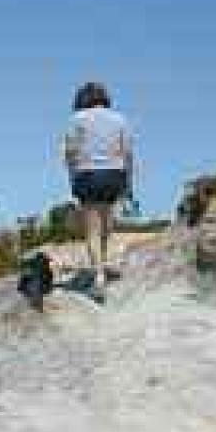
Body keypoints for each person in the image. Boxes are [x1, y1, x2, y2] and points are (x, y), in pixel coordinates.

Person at [62, 82, 132, 292]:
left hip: (88, 174)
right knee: (106, 225)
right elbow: (127, 152)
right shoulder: (120, 119)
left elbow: (70, 152)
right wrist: (128, 182)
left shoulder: (77, 119)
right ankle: (102, 263)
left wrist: (72, 178)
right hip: (114, 174)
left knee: (92, 229)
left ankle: (98, 275)